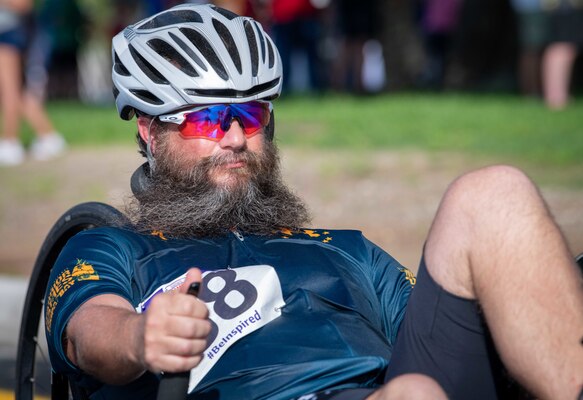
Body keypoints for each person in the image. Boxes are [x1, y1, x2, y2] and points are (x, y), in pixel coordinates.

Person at [44, 3, 583, 400]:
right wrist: (140, 337)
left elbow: (446, 330)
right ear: (150, 132)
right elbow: (89, 330)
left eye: (250, 117)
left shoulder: (345, 249)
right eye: (207, 119)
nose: (234, 139)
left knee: (492, 193)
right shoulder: (113, 247)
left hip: (391, 389)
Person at [0, 0, 66, 167]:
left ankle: (11, 141)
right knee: (14, 91)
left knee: (9, 90)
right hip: (11, 33)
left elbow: (23, 4)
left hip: (8, 35)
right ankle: (46, 136)